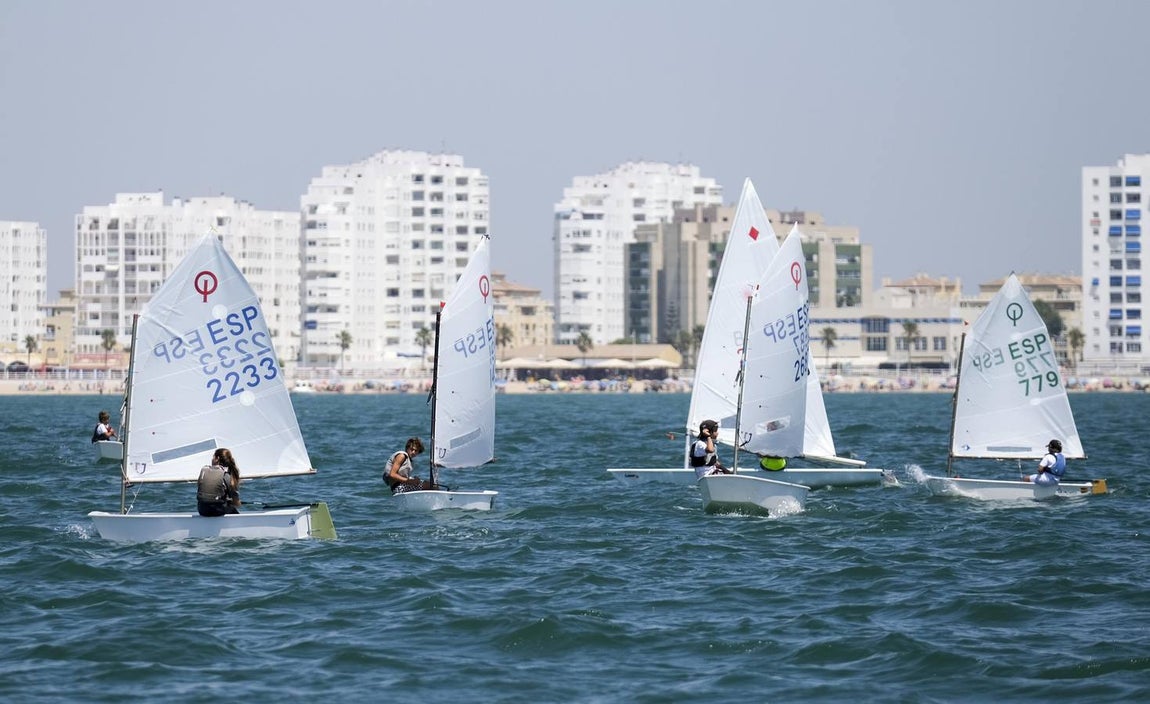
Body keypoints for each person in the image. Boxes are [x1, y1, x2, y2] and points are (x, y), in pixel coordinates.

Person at [197, 448, 241, 516]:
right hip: (218, 510)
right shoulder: (226, 475)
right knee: (233, 509)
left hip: (202, 510)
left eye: (213, 457)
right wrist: (236, 502)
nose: (211, 459)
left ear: (217, 458)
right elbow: (235, 498)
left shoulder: (203, 470)